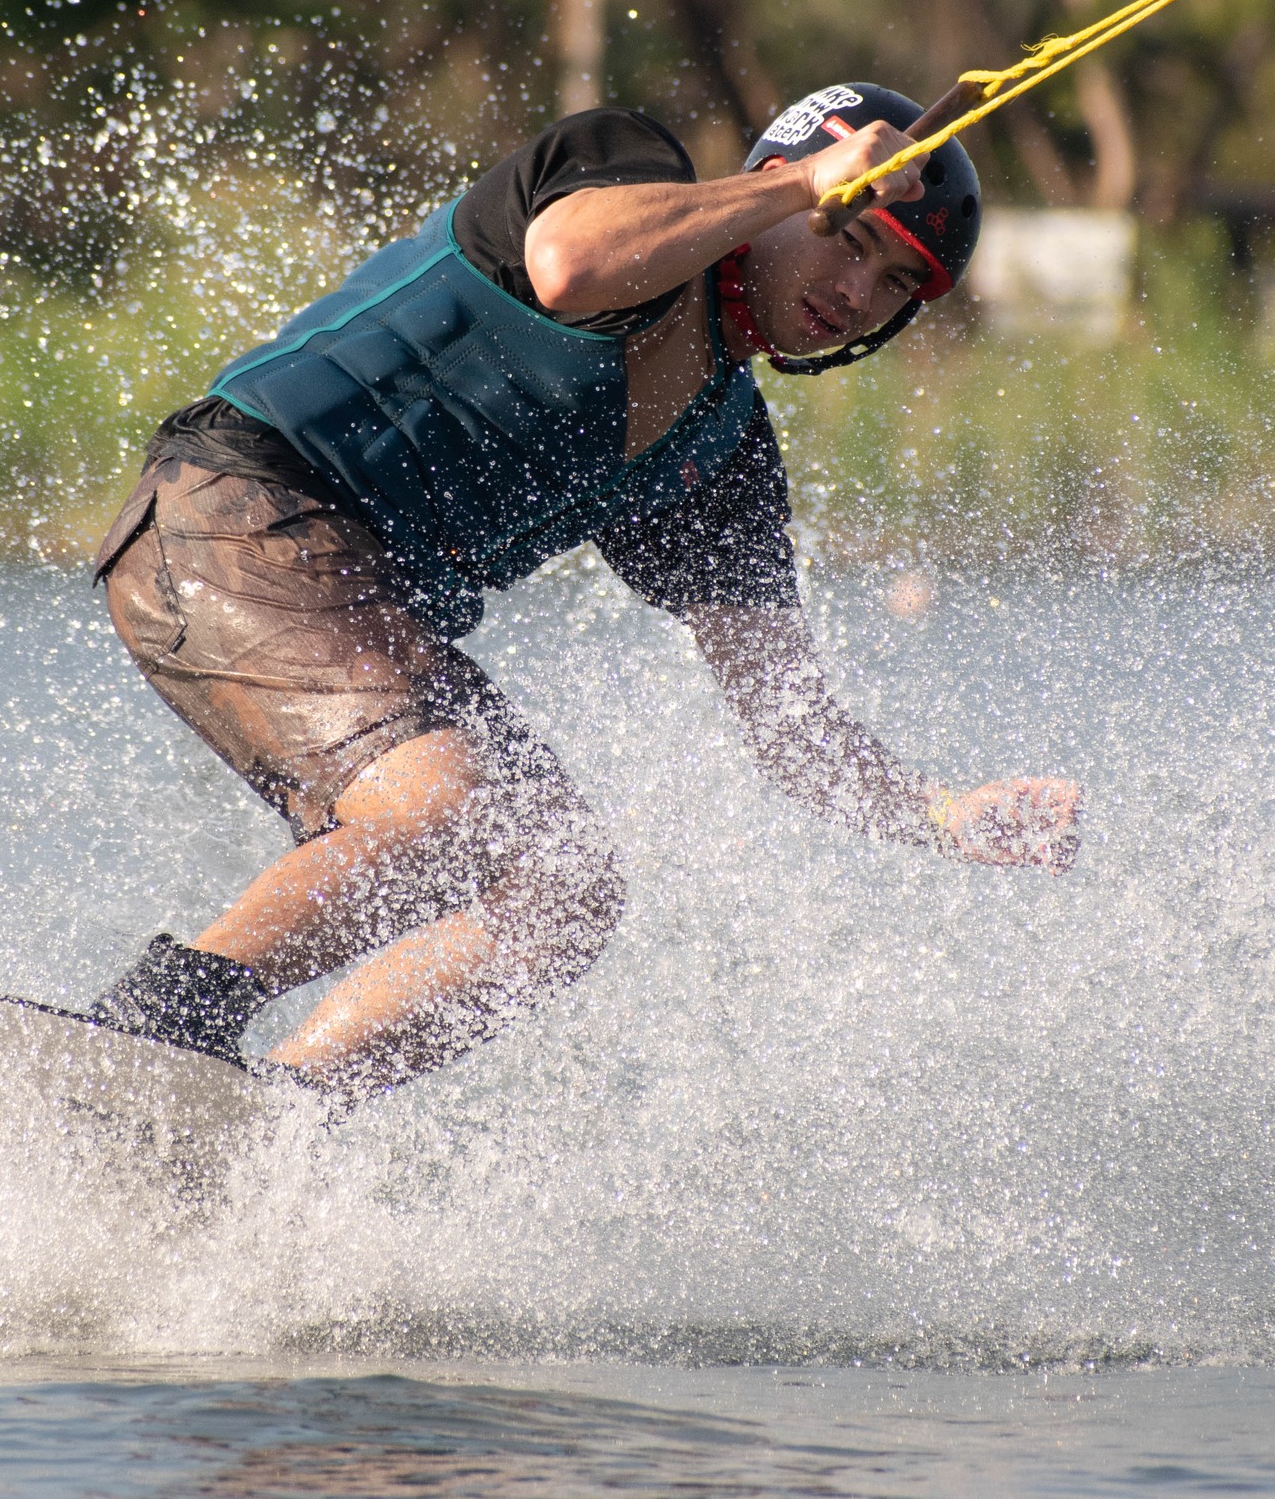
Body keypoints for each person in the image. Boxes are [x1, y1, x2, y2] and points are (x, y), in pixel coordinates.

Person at [89, 83, 1081, 1104]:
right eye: (846, 237)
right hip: (231, 513)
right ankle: (150, 1027)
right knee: (452, 806)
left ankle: (275, 1115)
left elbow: (793, 730)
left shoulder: (720, 452)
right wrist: (792, 184)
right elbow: (567, 266)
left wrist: (941, 811)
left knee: (563, 882)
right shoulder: (624, 173)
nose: (853, 291)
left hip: (352, 606)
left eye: (891, 283)